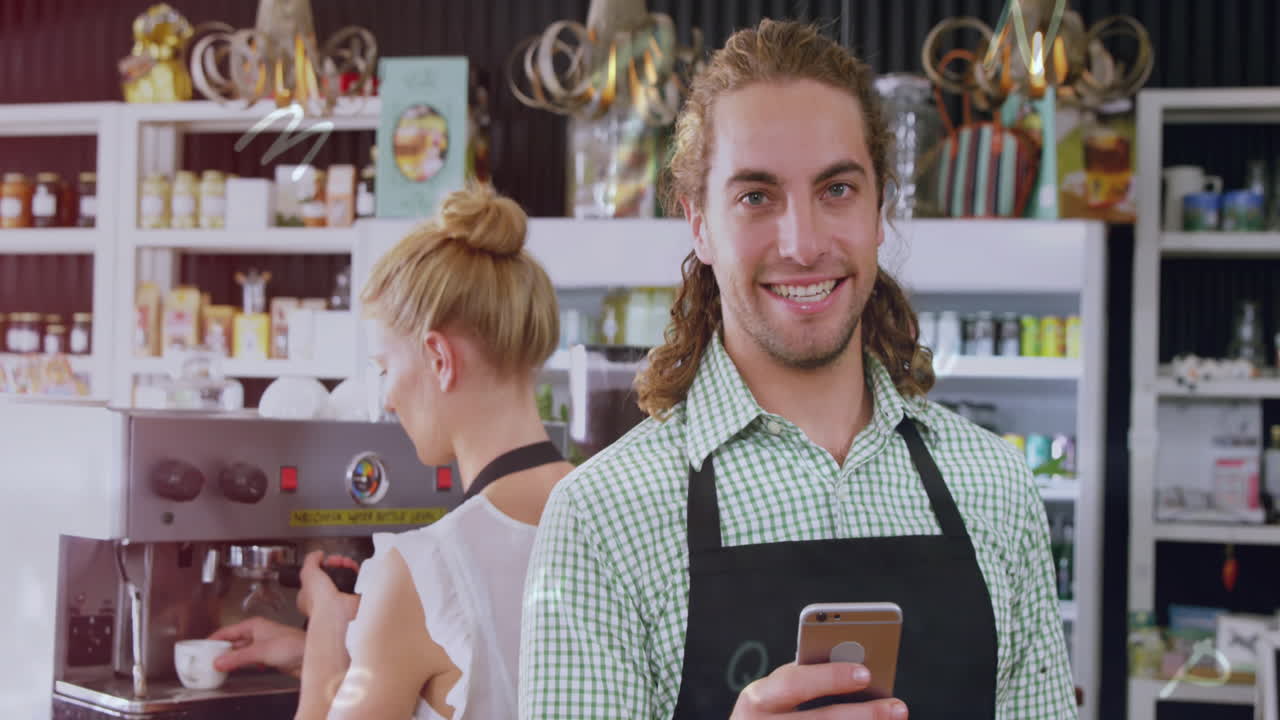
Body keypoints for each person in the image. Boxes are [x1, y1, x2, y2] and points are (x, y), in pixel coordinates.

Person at [519, 19, 1076, 720]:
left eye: (836, 190)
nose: (804, 244)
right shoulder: (604, 516)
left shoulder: (993, 486)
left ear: (880, 209)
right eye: (756, 196)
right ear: (699, 223)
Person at [212, 183, 573, 720]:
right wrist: (348, 652)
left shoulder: (425, 570)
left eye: (386, 369)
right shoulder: (614, 517)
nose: (387, 398)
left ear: (439, 358)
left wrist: (325, 640)